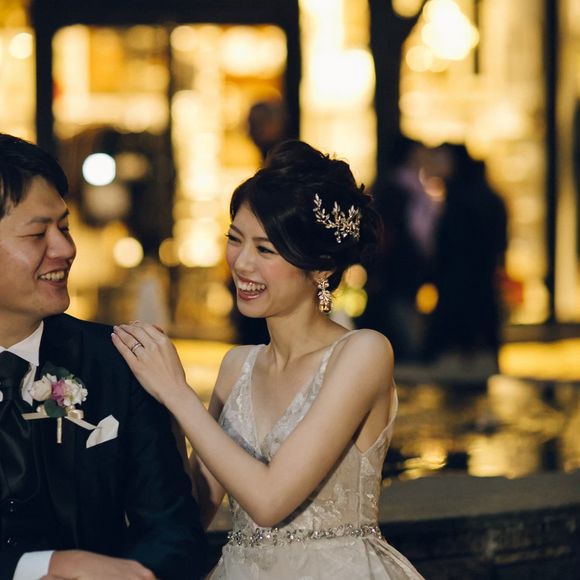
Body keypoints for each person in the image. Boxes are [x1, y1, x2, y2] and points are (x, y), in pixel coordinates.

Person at [112, 140, 425, 579]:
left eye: (265, 249)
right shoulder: (236, 366)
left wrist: (177, 392)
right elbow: (193, 509)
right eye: (235, 240)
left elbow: (269, 501)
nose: (241, 264)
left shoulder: (363, 353)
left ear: (321, 266)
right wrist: (156, 406)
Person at [0, 133, 206, 580]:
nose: (65, 249)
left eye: (64, 227)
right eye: (37, 234)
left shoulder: (116, 361)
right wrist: (46, 567)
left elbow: (174, 532)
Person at [422, 143, 508, 371]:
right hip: (479, 292)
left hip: (462, 293)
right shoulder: (483, 196)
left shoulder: (460, 201)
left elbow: (453, 251)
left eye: (438, 161)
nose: (431, 167)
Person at [360, 135, 438, 362]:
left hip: (399, 269)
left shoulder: (409, 188)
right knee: (399, 318)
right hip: (396, 269)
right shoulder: (400, 190)